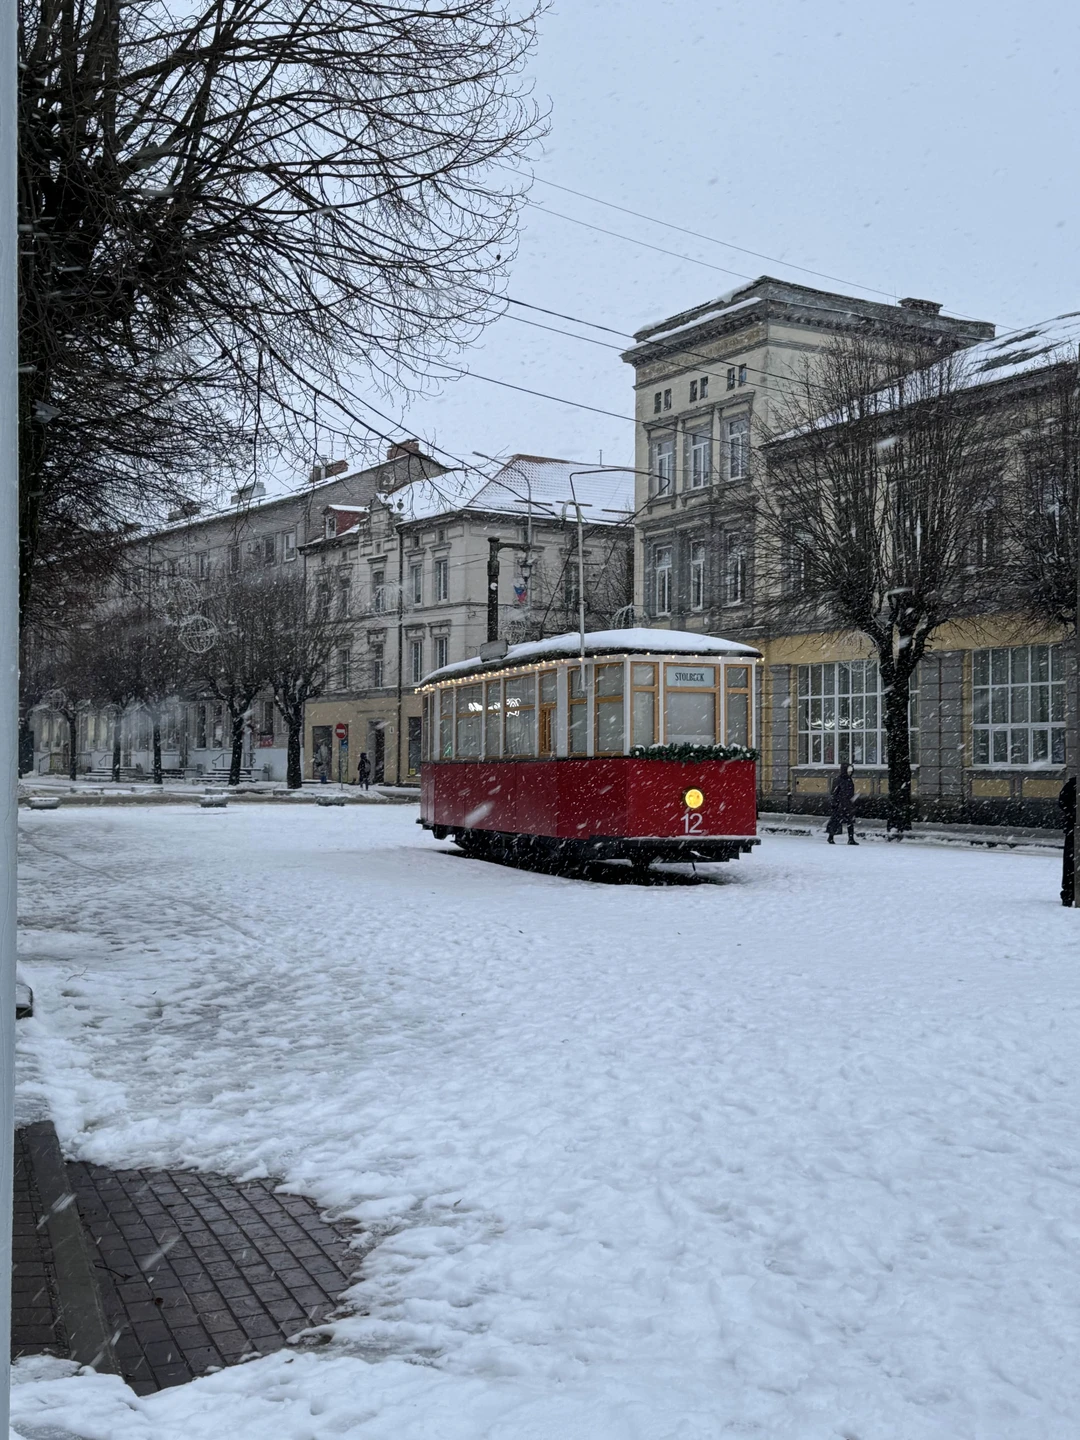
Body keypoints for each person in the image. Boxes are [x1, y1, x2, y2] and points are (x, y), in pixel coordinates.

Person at [826, 762, 857, 845]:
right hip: (840, 804)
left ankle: (851, 839)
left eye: (851, 771)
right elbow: (834, 792)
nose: (850, 772)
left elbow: (850, 791)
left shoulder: (849, 779)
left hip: (848, 804)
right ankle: (830, 837)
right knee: (836, 821)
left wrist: (851, 799)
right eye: (849, 770)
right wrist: (835, 803)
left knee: (850, 821)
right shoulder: (838, 780)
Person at [1059, 775, 1076, 908]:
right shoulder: (1074, 783)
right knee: (1070, 862)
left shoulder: (1073, 783)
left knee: (1070, 862)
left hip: (1072, 827)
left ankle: (1069, 893)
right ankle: (1069, 893)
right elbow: (1063, 802)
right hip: (1073, 828)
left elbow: (1062, 802)